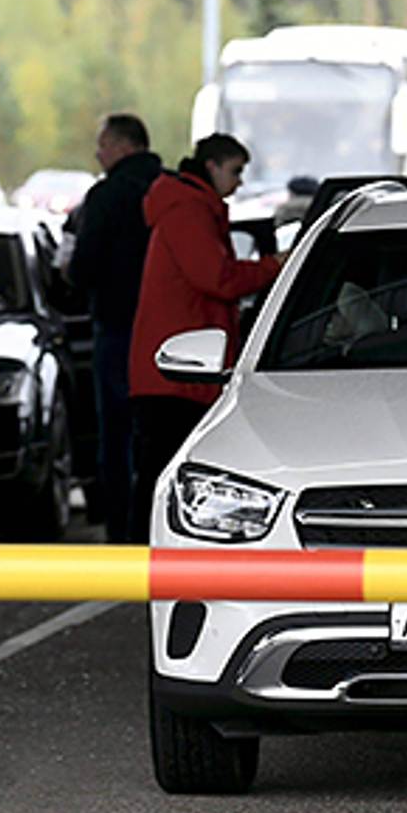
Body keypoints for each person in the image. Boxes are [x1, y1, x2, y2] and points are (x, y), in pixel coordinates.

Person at [127, 133, 283, 542]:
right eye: (235, 171)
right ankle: (144, 559)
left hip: (177, 365)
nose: (239, 182)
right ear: (212, 167)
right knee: (163, 476)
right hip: (179, 369)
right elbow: (218, 278)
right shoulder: (188, 211)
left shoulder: (189, 207)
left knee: (160, 471)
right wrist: (275, 267)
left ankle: (141, 559)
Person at [68, 113, 164, 541]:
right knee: (161, 433)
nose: (98, 153)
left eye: (103, 144)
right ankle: (158, 529)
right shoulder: (174, 190)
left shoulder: (107, 196)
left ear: (125, 147)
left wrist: (72, 273)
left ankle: (122, 534)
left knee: (117, 435)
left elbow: (84, 267)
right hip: (170, 332)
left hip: (118, 327)